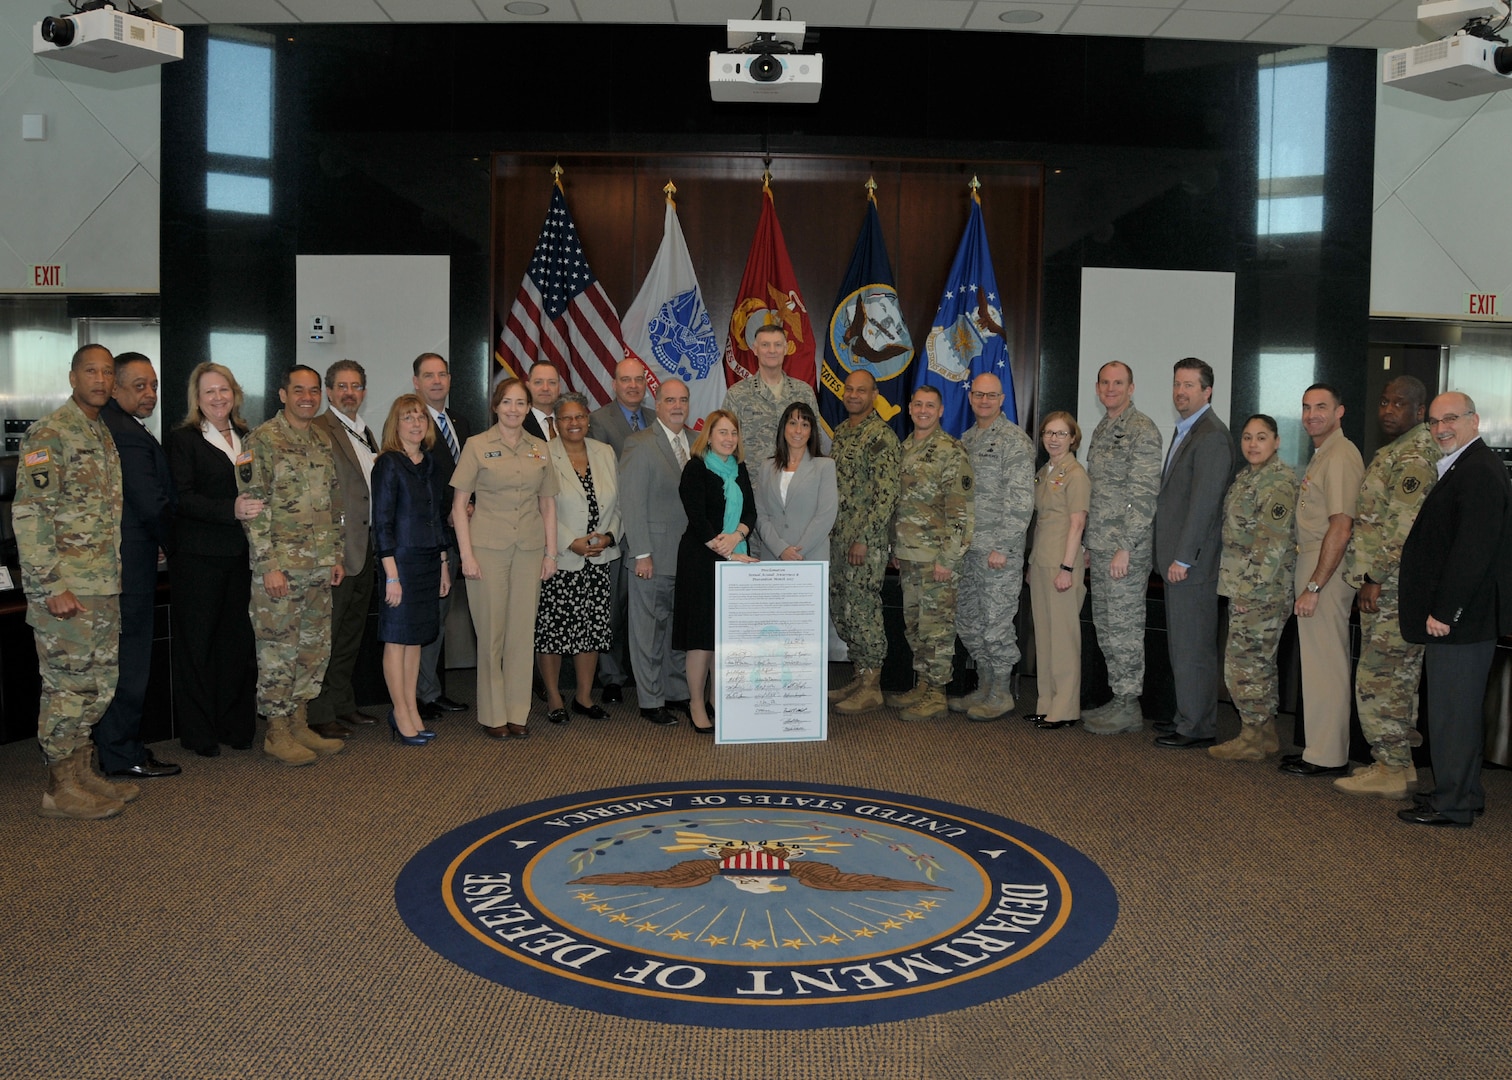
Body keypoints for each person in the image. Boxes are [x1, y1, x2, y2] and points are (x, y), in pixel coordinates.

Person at [13, 344, 133, 818]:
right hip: (67, 589)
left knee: (96, 685)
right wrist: (50, 587)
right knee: (66, 687)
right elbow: (30, 514)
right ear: (72, 377)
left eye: (107, 372)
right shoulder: (50, 433)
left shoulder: (99, 431)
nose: (100, 380)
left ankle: (82, 773)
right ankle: (59, 789)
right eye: (91, 371)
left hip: (101, 584)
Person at [1397, 392, 1512, 828]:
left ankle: (1454, 804)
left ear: (1474, 420)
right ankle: (1462, 791)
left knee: (1452, 714)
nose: (1440, 427)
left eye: (1450, 419)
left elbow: (1473, 552)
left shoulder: (1479, 470)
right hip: (1463, 619)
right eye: (1433, 421)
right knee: (1456, 711)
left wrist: (1446, 611)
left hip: (1462, 621)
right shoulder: (1466, 465)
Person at [1334, 377, 1439, 799]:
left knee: (1381, 675)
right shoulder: (1399, 450)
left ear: (1419, 410)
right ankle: (1400, 765)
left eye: (1400, 403)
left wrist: (1375, 577)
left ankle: (1390, 767)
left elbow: (1401, 526)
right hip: (1394, 585)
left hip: (1392, 587)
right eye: (1384, 401)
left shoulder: (1415, 454)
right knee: (1397, 676)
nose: (1388, 409)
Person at [240, 365, 347, 766]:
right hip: (282, 567)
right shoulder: (261, 440)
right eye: (298, 390)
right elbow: (253, 509)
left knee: (312, 650)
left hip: (319, 566)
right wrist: (268, 564)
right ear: (282, 394)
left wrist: (335, 554)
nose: (307, 397)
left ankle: (300, 721)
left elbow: (335, 503)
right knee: (277, 651)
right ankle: (277, 732)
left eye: (314, 390)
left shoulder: (321, 438)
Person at [452, 377, 558, 739]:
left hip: (529, 550)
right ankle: (493, 713)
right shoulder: (477, 446)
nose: (514, 409)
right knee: (492, 633)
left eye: (521, 403)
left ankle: (518, 711)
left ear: (529, 408)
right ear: (496, 406)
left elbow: (548, 504)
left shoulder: (541, 449)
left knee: (521, 634)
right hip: (487, 549)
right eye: (507, 402)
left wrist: (551, 553)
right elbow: (459, 504)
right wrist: (466, 556)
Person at [168, 362, 263, 758]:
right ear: (197, 398)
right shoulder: (183, 440)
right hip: (198, 559)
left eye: (223, 390)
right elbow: (181, 497)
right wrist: (230, 509)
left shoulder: (247, 435)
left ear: (235, 393)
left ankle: (235, 726)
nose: (218, 398)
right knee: (198, 647)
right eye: (209, 392)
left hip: (241, 557)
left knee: (237, 645)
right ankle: (198, 733)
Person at [97, 351, 181, 779]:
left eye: (154, 385)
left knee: (123, 659)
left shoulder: (119, 425)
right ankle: (121, 753)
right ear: (115, 388)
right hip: (129, 566)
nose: (150, 393)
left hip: (128, 558)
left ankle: (118, 747)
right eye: (139, 386)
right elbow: (151, 503)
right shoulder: (125, 433)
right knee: (129, 661)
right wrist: (173, 541)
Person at [1279, 383, 1363, 777]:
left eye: (1321, 407)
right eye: (1306, 407)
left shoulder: (1341, 456)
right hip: (1312, 563)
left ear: (1339, 412)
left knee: (1326, 662)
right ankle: (1319, 748)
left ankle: (1328, 755)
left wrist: (1315, 586)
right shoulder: (1322, 455)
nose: (1312, 414)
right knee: (1315, 663)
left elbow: (1342, 527)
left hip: (1324, 569)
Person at [1152, 357, 1234, 749]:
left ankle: (1197, 726)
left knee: (1194, 646)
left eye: (1189, 385)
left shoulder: (1212, 435)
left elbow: (1205, 504)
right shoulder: (1186, 430)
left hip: (1193, 564)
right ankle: (1187, 716)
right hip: (1177, 562)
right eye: (1177, 384)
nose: (1181, 392)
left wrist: (1183, 557)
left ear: (1207, 391)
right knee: (1182, 645)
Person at [884, 385, 974, 723]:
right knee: (915, 626)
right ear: (909, 408)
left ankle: (937, 694)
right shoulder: (905, 447)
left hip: (936, 557)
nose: (923, 410)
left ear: (940, 411)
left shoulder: (951, 451)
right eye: (918, 404)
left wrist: (948, 560)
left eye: (930, 405)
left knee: (937, 628)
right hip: (909, 555)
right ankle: (923, 684)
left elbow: (961, 513)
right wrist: (896, 547)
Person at [1209, 415, 1298, 761]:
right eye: (1247, 437)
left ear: (1277, 442)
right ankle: (1264, 733)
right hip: (1245, 588)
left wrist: (1249, 591)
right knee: (1257, 663)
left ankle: (1252, 736)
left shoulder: (1278, 482)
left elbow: (1270, 547)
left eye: (1261, 438)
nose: (1253, 444)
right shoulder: (1248, 477)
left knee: (1244, 665)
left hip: (1260, 593)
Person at [1081, 361, 1162, 736]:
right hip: (1100, 546)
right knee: (1107, 627)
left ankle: (1129, 704)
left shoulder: (1141, 430)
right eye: (1105, 383)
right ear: (1097, 388)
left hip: (1123, 551)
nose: (1111, 389)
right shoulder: (1102, 428)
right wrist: (1087, 543)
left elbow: (1143, 495)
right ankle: (1118, 698)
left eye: (1119, 383)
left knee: (1125, 628)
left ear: (1131, 388)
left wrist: (1126, 547)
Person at [950, 373, 1034, 722]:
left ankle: (1000, 691)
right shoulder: (966, 440)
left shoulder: (1015, 441)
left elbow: (1021, 501)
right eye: (978, 395)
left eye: (991, 396)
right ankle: (984, 685)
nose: (984, 401)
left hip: (997, 553)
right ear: (970, 398)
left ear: (1002, 400)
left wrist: (1003, 546)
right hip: (967, 551)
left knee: (996, 624)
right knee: (969, 621)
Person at [535, 392, 621, 724]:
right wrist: (569, 542)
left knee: (592, 629)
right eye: (567, 418)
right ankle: (555, 697)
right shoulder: (542, 454)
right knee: (553, 630)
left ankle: (584, 697)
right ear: (555, 423)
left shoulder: (605, 452)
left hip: (598, 558)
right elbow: (537, 506)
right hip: (558, 559)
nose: (575, 423)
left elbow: (620, 502)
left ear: (588, 418)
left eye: (580, 417)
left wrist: (610, 535)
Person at [673, 409, 759, 733]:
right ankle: (695, 703)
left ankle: (715, 699)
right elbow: (697, 516)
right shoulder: (695, 468)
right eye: (722, 432)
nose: (728, 439)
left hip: (734, 558)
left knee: (724, 638)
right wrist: (723, 549)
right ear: (708, 435)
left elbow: (750, 509)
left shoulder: (740, 469)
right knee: (701, 638)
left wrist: (737, 537)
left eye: (733, 433)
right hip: (700, 561)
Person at [371, 393, 450, 745]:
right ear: (396, 424)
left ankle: (412, 709)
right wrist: (391, 574)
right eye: (408, 418)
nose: (416, 423)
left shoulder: (431, 463)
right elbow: (382, 522)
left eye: (421, 417)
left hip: (430, 560)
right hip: (399, 562)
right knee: (397, 640)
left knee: (416, 638)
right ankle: (400, 712)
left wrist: (445, 565)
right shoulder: (388, 463)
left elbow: (437, 519)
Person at [618, 378, 694, 727]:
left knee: (679, 631)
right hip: (652, 555)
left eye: (683, 400)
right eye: (670, 400)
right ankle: (650, 701)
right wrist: (641, 553)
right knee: (648, 633)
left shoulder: (697, 442)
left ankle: (676, 692)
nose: (677, 406)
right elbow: (631, 504)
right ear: (657, 403)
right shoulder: (639, 444)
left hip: (689, 556)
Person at [308, 359, 377, 739]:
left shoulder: (365, 432)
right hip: (336, 551)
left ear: (364, 392)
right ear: (329, 391)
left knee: (351, 632)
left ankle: (342, 703)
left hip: (365, 549)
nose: (350, 393)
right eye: (342, 386)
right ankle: (319, 713)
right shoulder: (319, 429)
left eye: (356, 386)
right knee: (327, 634)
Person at [828, 369, 901, 715]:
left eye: (862, 390)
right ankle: (860, 675)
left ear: (874, 395)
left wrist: (864, 539)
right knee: (843, 609)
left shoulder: (881, 437)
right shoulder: (841, 433)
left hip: (863, 543)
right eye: (849, 389)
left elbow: (886, 496)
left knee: (863, 609)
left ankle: (873, 685)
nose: (854, 395)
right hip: (838, 539)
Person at [587, 358, 655, 704]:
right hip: (614, 528)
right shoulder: (598, 421)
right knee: (611, 606)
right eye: (625, 380)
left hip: (650, 529)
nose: (632, 386)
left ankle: (643, 673)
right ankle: (611, 677)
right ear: (614, 384)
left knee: (643, 607)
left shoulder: (657, 419)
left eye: (638, 380)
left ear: (646, 384)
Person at [412, 352, 472, 720]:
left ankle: (430, 691)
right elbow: (419, 485)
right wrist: (449, 511)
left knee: (442, 615)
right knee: (427, 618)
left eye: (442, 375)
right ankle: (419, 696)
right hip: (430, 536)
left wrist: (471, 504)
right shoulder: (413, 424)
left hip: (461, 533)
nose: (436, 381)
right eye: (428, 376)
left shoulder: (459, 422)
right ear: (416, 382)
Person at [1026, 410, 1089, 730]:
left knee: (1064, 640)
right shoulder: (1044, 471)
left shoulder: (1075, 473)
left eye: (1061, 433)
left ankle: (1065, 708)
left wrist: (1066, 567)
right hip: (1041, 561)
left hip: (1062, 564)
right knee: (1046, 638)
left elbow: (1077, 523)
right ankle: (1047, 703)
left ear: (1073, 438)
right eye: (1049, 433)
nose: (1053, 438)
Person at [721, 323, 821, 469]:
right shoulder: (737, 394)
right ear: (755, 350)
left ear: (786, 349)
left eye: (778, 345)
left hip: (796, 483)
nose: (772, 350)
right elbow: (725, 443)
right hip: (753, 485)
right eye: (765, 345)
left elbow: (815, 440)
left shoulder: (804, 392)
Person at [751, 400, 837, 565]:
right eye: (792, 423)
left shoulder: (825, 466)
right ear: (784, 428)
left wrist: (797, 552)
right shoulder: (766, 467)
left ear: (811, 431)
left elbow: (825, 516)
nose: (798, 430)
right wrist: (781, 549)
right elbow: (760, 515)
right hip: (773, 557)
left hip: (810, 557)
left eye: (805, 425)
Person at [525, 361, 562, 442]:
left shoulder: (570, 421)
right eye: (538, 382)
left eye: (552, 382)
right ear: (528, 386)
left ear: (559, 388)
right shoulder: (518, 423)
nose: (545, 388)